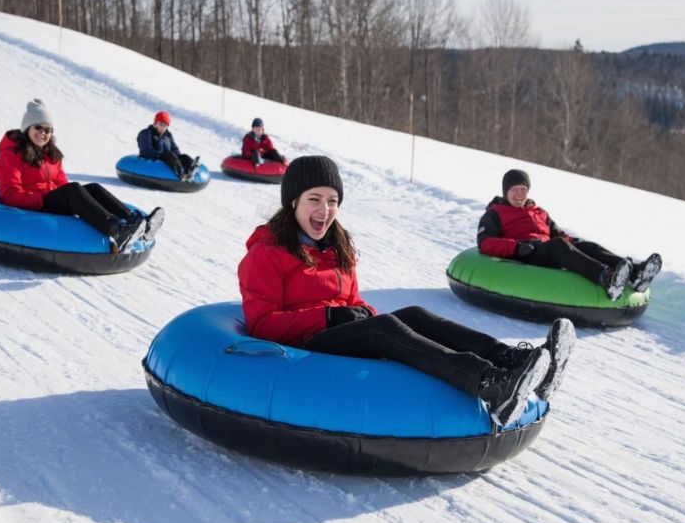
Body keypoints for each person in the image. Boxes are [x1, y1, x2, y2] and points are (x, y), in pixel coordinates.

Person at [238, 156, 577, 426]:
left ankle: (517, 360)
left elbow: (351, 302)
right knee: (383, 329)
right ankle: (490, 384)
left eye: (333, 201)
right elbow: (262, 324)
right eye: (314, 199)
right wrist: (328, 316)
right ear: (293, 202)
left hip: (336, 331)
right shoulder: (267, 253)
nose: (324, 211)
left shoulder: (335, 246)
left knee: (415, 315)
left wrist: (358, 312)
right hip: (302, 346)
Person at [0, 99, 164, 253]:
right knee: (73, 189)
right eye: (38, 127)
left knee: (93, 189)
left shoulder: (50, 154)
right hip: (36, 203)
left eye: (48, 129)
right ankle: (117, 231)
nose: (43, 133)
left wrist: (76, 198)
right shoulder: (11, 155)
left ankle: (136, 222)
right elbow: (9, 194)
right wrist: (42, 199)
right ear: (27, 128)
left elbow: (62, 184)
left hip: (49, 200)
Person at [478, 169, 661, 301]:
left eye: (523, 189)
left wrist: (575, 242)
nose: (519, 194)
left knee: (587, 246)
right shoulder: (495, 213)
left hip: (547, 248)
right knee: (558, 245)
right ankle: (606, 278)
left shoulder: (538, 211)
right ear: (506, 192)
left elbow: (557, 233)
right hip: (527, 253)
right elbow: (485, 242)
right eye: (514, 190)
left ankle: (635, 274)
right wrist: (517, 247)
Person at [137, 110, 200, 180]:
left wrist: (178, 157)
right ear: (155, 123)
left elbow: (175, 149)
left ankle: (191, 168)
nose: (162, 127)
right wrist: (160, 155)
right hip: (153, 159)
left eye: (165, 126)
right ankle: (181, 174)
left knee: (183, 156)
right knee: (169, 155)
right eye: (160, 124)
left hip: (167, 159)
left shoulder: (167, 135)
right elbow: (146, 150)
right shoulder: (146, 133)